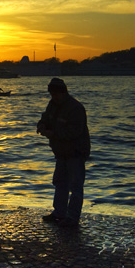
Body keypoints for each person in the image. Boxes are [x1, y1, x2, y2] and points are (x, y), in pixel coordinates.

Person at [37, 78, 91, 228]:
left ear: (63, 92)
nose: (53, 97)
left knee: (75, 185)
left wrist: (51, 133)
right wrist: (41, 125)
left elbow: (73, 132)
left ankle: (72, 217)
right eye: (52, 94)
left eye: (56, 94)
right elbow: (45, 117)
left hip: (76, 152)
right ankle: (59, 212)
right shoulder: (52, 105)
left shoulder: (76, 108)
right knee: (60, 182)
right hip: (61, 152)